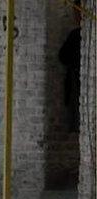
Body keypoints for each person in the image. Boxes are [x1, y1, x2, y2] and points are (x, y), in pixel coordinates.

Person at [58, 1, 82, 132]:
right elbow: (62, 56)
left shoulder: (76, 35)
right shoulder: (76, 35)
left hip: (77, 83)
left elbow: (62, 57)